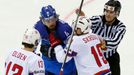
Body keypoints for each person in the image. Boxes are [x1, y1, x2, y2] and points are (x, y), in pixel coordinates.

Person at [76, 0, 126, 75]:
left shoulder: (121, 27)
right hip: (95, 58)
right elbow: (88, 23)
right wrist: (83, 19)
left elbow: (115, 42)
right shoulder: (98, 19)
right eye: (106, 11)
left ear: (116, 13)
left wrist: (100, 41)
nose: (108, 14)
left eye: (111, 12)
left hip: (111, 59)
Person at [34, 5, 77, 75]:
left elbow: (73, 47)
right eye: (47, 21)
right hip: (47, 64)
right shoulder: (38, 28)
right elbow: (32, 46)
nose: (51, 23)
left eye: (53, 19)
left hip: (65, 67)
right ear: (43, 21)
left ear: (56, 17)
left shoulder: (64, 28)